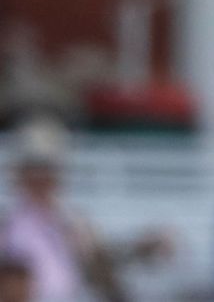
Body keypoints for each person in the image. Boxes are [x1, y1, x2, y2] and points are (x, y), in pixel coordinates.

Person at [0, 114, 171, 302]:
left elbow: (103, 262)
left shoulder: (73, 223)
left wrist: (140, 249)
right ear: (19, 176)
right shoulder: (8, 225)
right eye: (33, 174)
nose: (41, 182)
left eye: (47, 173)